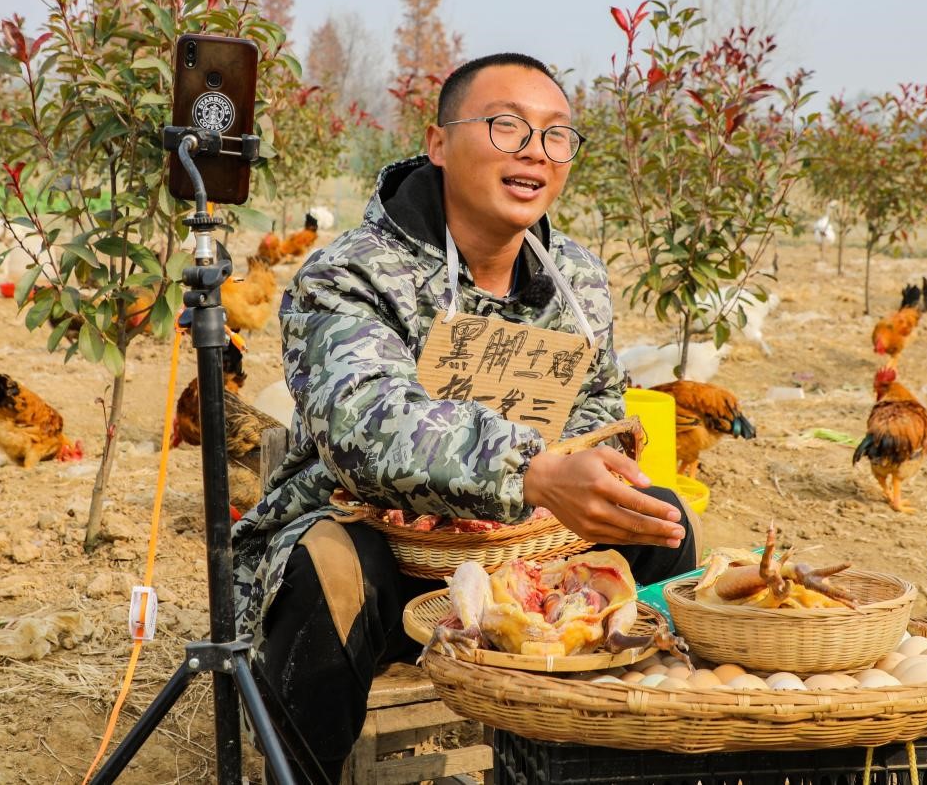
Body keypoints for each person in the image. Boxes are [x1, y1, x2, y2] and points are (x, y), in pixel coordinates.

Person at [231, 52, 700, 782]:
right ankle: (301, 770)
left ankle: (604, 758)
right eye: (507, 126)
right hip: (385, 547)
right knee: (331, 566)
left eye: (555, 135)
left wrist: (586, 469)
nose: (534, 151)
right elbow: (365, 423)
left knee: (665, 525)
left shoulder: (575, 276)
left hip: (527, 541)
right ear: (440, 143)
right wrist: (530, 471)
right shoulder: (351, 272)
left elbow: (597, 404)